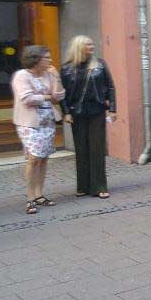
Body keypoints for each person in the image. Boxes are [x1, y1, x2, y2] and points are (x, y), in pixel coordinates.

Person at [60, 36, 115, 199]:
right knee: (81, 149)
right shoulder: (67, 68)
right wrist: (66, 112)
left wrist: (112, 108)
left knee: (97, 148)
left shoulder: (99, 64)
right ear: (78, 47)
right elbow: (62, 93)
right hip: (77, 113)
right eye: (87, 44)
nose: (92, 46)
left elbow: (110, 86)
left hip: (97, 110)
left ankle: (99, 186)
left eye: (92, 43)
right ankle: (83, 186)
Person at [11, 45, 64, 214]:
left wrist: (56, 77)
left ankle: (40, 195)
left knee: (43, 159)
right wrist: (48, 97)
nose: (50, 60)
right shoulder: (22, 76)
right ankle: (30, 198)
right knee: (33, 158)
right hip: (29, 123)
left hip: (47, 122)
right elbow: (27, 98)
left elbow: (59, 96)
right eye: (46, 58)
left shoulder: (48, 74)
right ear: (35, 59)